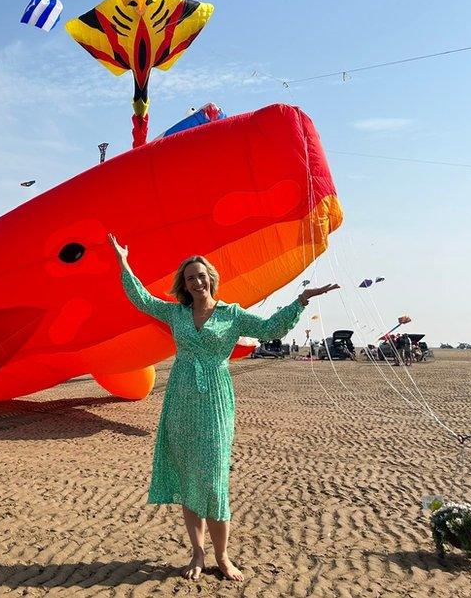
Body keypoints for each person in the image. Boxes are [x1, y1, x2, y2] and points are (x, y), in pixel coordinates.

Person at [109, 234, 338, 582]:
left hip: (216, 398)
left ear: (211, 278)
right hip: (181, 398)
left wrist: (301, 300)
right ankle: (197, 553)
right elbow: (141, 299)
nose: (197, 282)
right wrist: (123, 262)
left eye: (201, 275)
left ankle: (222, 555)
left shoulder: (231, 315)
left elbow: (270, 328)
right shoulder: (176, 313)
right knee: (189, 478)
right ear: (184, 285)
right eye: (190, 278)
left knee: (214, 480)